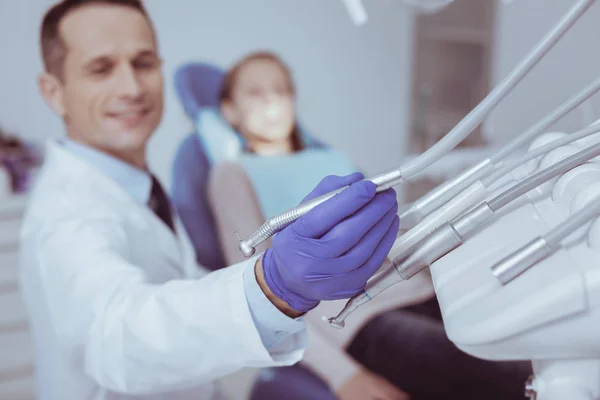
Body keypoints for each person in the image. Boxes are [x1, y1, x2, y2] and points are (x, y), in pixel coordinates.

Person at [17, 1, 400, 399]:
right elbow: (119, 338)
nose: (131, 88)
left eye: (144, 63)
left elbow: (184, 290)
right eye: (101, 69)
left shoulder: (138, 186)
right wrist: (273, 285)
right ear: (54, 92)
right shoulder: (64, 219)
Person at [204, 51, 533, 400]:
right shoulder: (232, 173)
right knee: (516, 377)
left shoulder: (332, 159)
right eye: (255, 92)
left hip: (419, 286)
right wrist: (346, 377)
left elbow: (389, 224)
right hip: (356, 316)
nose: (272, 101)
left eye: (281, 90)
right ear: (229, 110)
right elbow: (254, 295)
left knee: (535, 343)